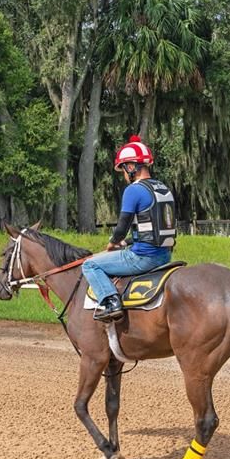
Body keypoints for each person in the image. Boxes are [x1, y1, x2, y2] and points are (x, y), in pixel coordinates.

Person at [81, 135, 176, 322]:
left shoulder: (134, 190)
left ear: (131, 167)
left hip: (143, 258)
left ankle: (111, 302)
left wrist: (113, 243)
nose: (124, 175)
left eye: (123, 170)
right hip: (165, 255)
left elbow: (122, 225)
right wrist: (125, 243)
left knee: (90, 264)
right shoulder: (163, 188)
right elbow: (151, 228)